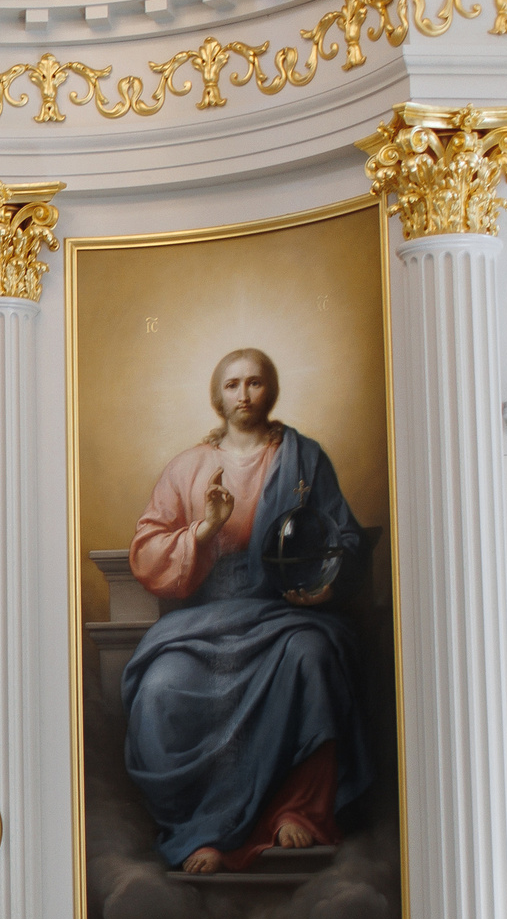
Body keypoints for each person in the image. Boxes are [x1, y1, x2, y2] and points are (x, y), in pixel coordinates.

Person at [122, 348, 369, 874]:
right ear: (218, 395)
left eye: (255, 382)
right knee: (161, 687)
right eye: (233, 384)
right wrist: (206, 528)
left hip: (284, 614)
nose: (244, 394)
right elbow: (146, 551)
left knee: (312, 656)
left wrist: (322, 589)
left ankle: (293, 810)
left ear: (270, 389)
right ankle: (199, 829)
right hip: (204, 620)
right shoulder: (188, 467)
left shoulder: (304, 458)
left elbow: (345, 539)